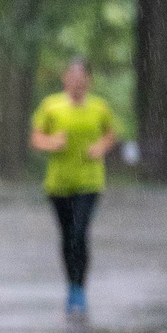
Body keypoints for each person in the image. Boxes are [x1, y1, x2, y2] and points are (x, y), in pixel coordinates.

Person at [29, 56, 120, 318]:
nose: (77, 84)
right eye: (73, 79)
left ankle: (80, 288)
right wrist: (51, 142)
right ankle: (71, 284)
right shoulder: (51, 106)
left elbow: (110, 134)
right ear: (65, 79)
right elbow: (36, 137)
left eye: (82, 80)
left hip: (89, 182)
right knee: (67, 235)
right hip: (58, 184)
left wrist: (100, 147)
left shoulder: (99, 108)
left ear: (89, 81)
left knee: (80, 232)